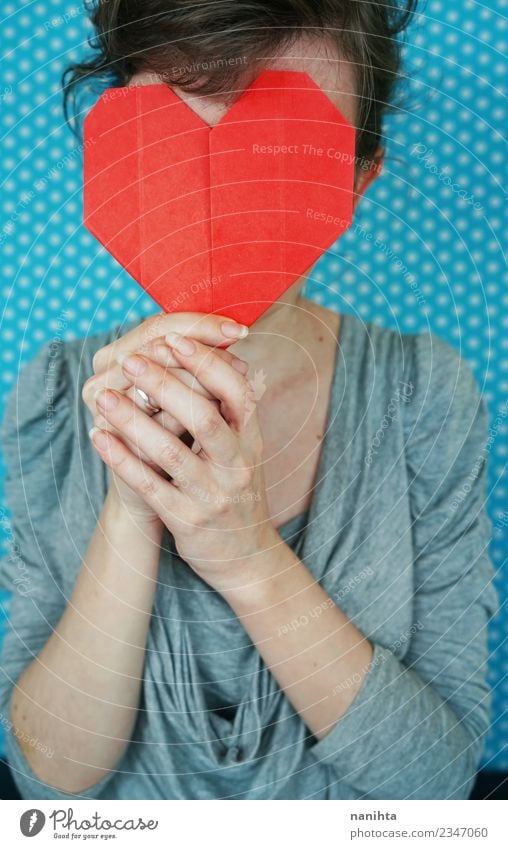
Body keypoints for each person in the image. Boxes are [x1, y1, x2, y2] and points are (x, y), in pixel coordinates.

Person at [0, 0, 498, 800]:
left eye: (286, 153)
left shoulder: (424, 392)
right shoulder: (56, 392)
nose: (222, 204)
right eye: (180, 141)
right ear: (119, 163)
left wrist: (249, 558)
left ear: (359, 180)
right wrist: (132, 507)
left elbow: (436, 785)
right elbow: (47, 783)